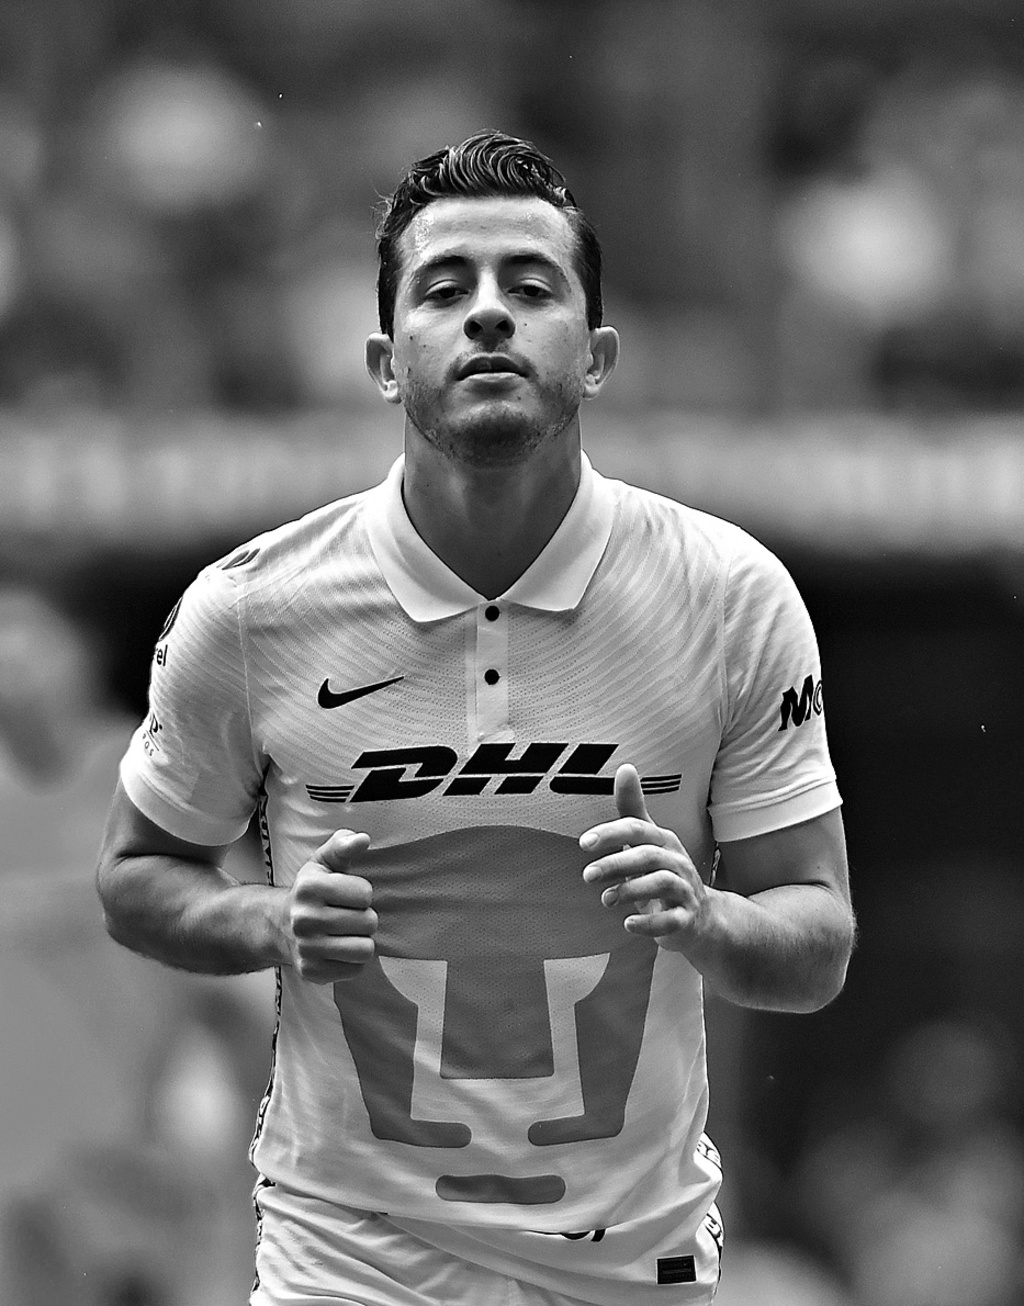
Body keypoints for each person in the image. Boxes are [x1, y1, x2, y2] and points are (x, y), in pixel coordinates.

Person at [96, 130, 856, 1306]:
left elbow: (819, 939)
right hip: (343, 1258)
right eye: (445, 289)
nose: (489, 312)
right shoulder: (250, 609)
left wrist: (707, 917)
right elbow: (135, 875)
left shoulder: (729, 595)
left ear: (596, 355)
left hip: (631, 1259)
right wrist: (264, 917)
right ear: (384, 361)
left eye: (531, 286)